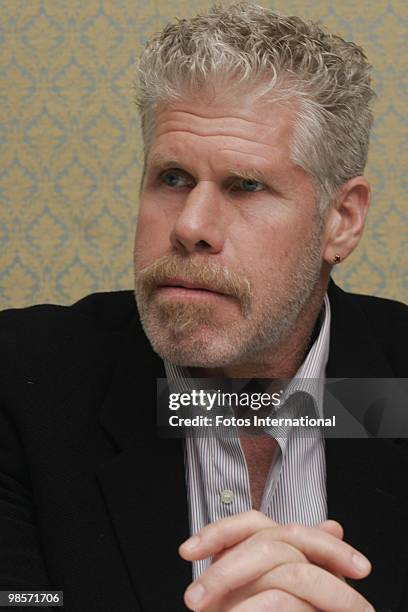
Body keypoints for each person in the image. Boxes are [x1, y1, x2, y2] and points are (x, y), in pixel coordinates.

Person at [0, 2, 407, 611]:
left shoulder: (394, 388)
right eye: (172, 179)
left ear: (340, 221)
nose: (191, 226)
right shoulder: (22, 382)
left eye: (246, 186)